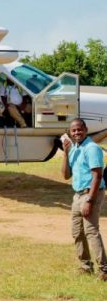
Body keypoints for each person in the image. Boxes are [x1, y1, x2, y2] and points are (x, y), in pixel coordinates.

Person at [61, 118, 107, 281]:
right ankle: (85, 266)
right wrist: (66, 153)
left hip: (90, 193)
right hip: (77, 194)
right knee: (77, 232)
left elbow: (97, 175)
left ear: (86, 130)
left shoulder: (92, 148)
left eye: (79, 130)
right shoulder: (73, 148)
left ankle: (104, 270)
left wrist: (89, 200)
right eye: (73, 131)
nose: (76, 133)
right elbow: (66, 175)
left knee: (91, 231)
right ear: (70, 133)